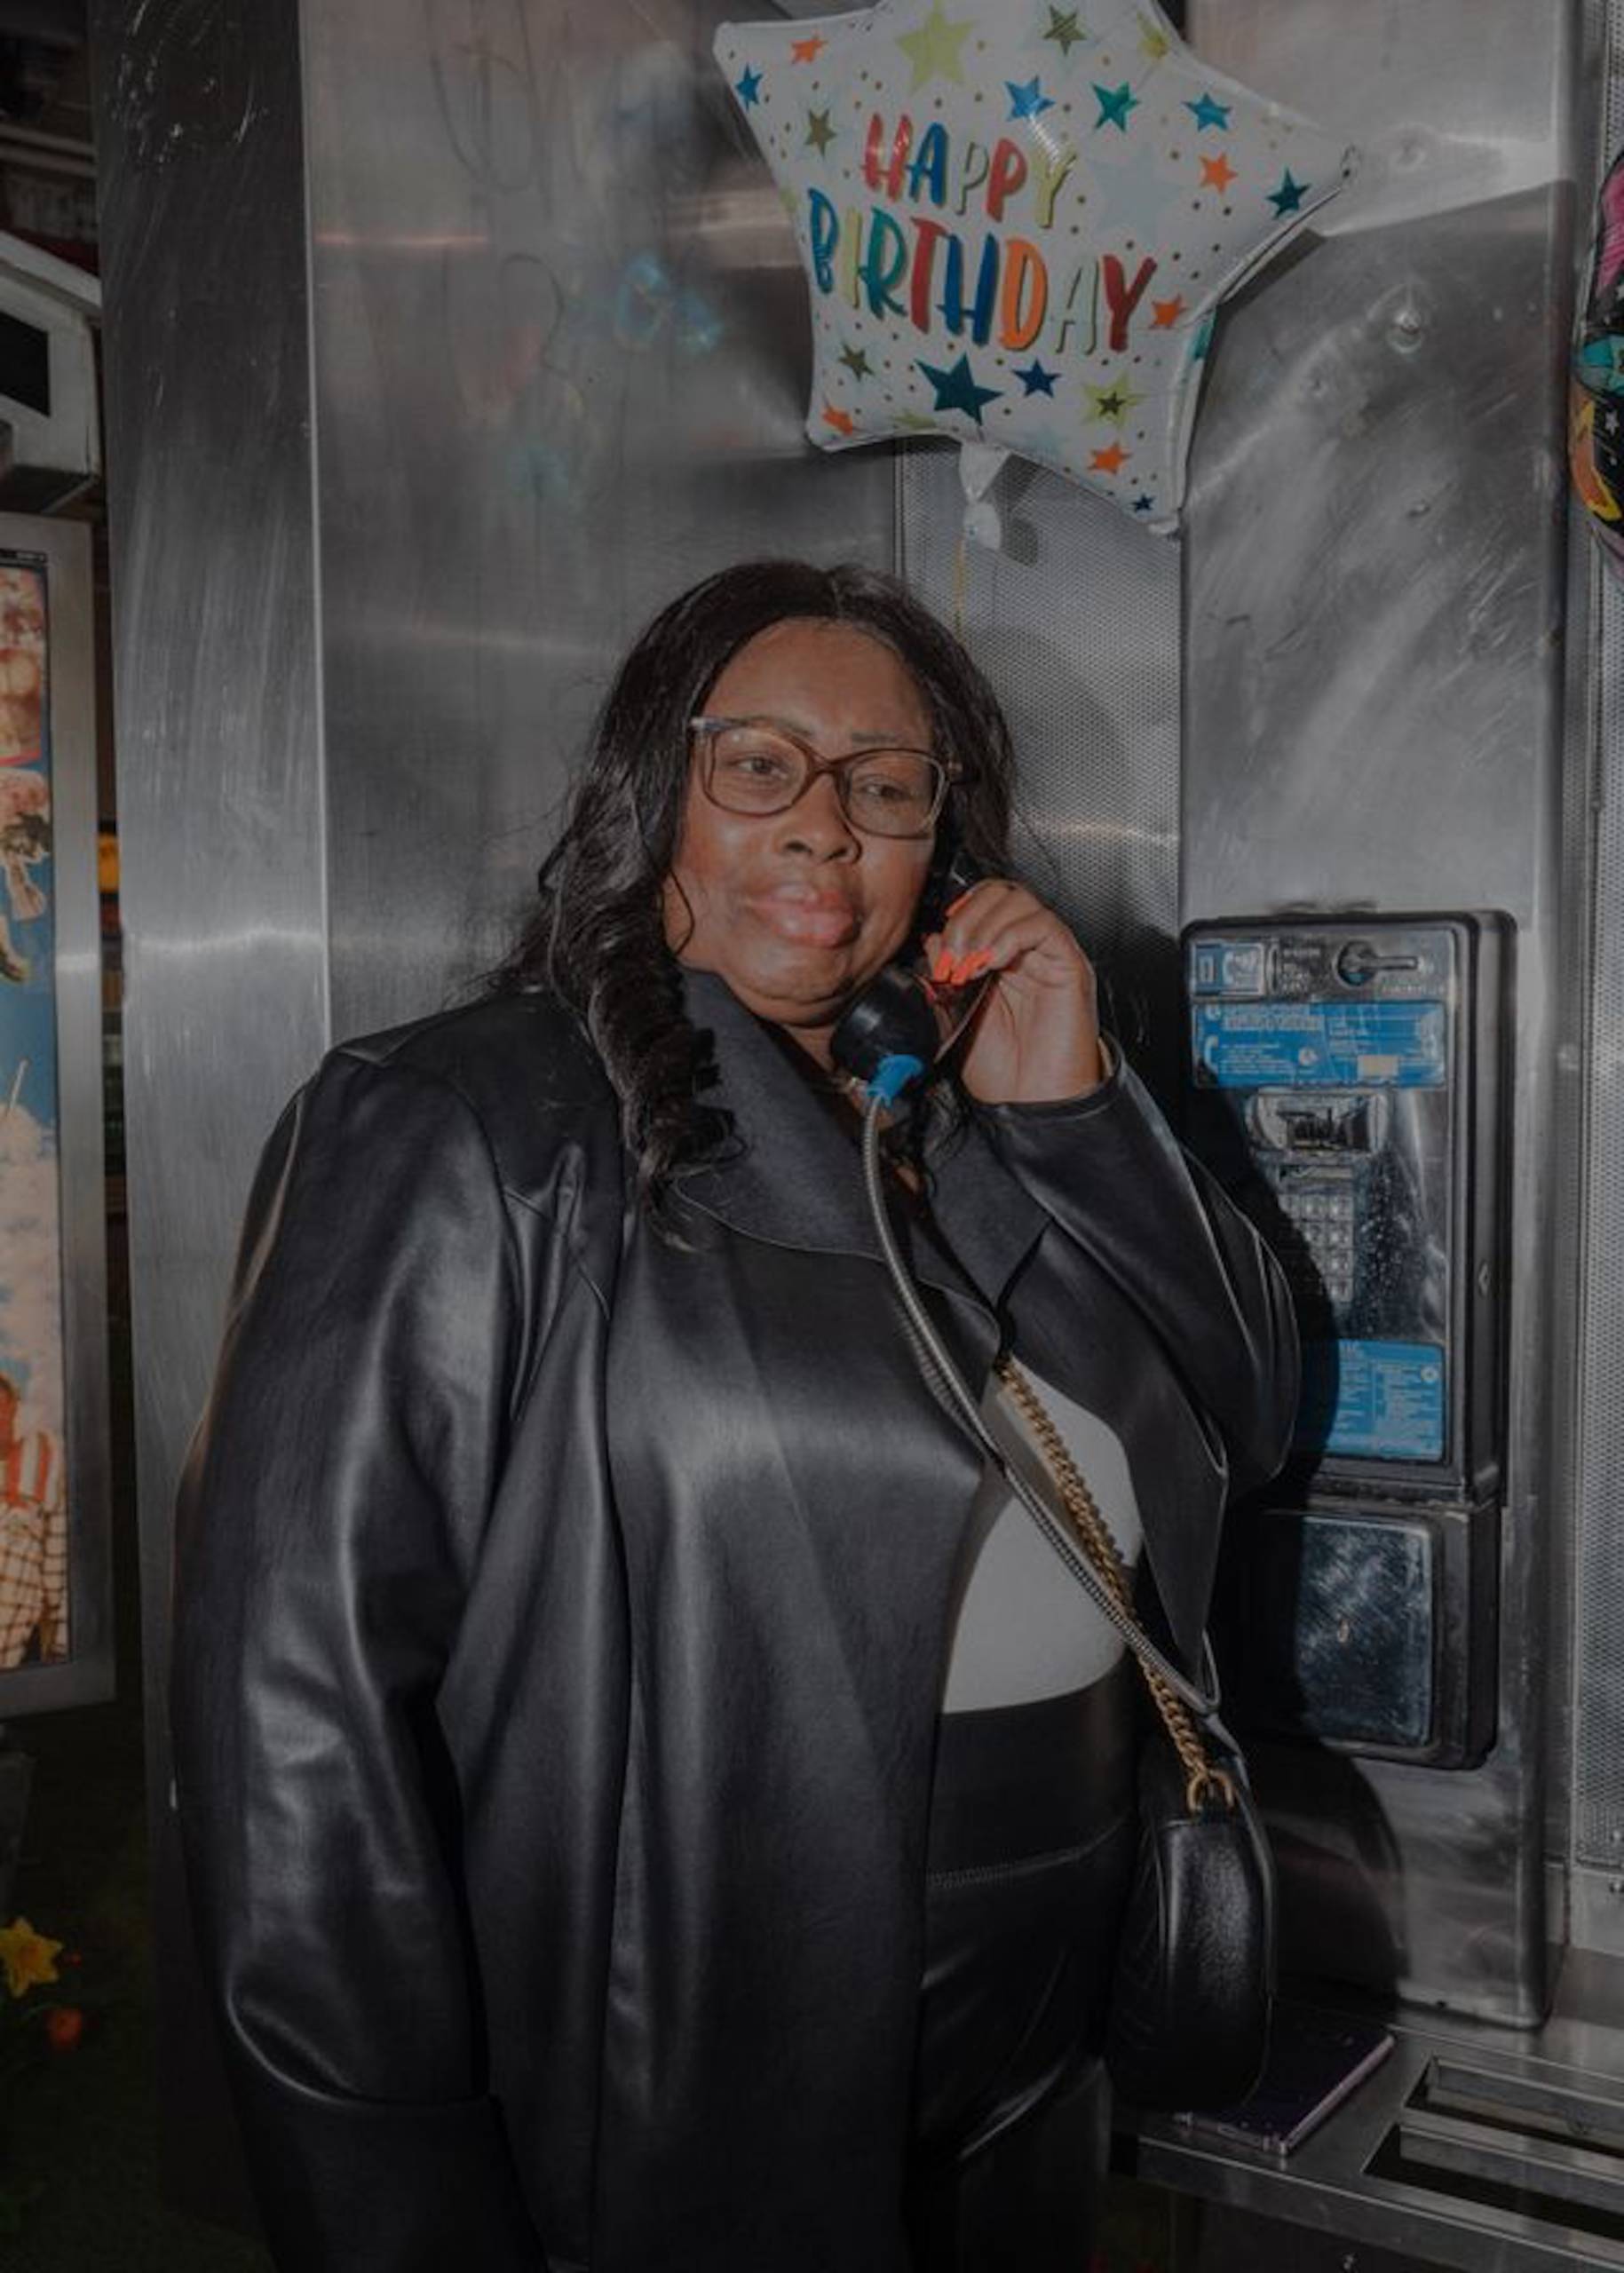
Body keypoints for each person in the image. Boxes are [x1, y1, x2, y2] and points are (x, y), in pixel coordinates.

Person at [171, 559, 1296, 2273]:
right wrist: (392, 2215)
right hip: (692, 2053)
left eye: (886, 783)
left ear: (946, 839)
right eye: (758, 763)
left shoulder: (966, 1114)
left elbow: (1245, 1415)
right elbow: (296, 1734)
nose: (825, 827)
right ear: (653, 793)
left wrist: (1076, 1113)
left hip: (1029, 2062)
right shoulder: (475, 1126)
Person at [0, 1371, 67, 1669]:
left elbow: (58, 1554)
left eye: (5, 1410)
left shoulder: (43, 1456)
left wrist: (61, 1638)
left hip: (17, 1637)